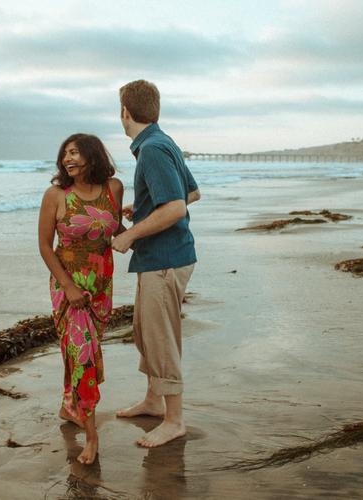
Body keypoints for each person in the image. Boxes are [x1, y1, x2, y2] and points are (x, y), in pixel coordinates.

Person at [111, 80, 201, 448]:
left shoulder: (151, 148)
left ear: (125, 113)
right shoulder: (162, 143)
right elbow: (191, 192)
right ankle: (152, 401)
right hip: (161, 258)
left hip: (165, 259)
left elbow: (177, 206)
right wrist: (146, 209)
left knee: (160, 338)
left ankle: (174, 420)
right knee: (146, 332)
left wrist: (131, 234)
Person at [38, 133, 124, 464]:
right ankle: (91, 435)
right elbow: (46, 246)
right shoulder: (56, 195)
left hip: (101, 286)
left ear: (92, 155)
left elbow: (115, 229)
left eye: (74, 153)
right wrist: (70, 288)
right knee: (83, 355)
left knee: (78, 354)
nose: (67, 159)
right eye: (65, 155)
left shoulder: (113, 189)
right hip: (69, 287)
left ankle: (68, 405)